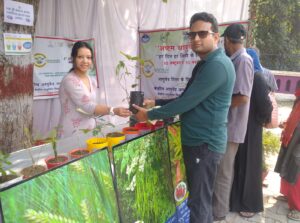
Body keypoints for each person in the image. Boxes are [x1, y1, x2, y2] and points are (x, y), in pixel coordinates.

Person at [133, 12, 236, 223]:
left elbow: (186, 103)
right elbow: (189, 97)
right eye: (192, 35)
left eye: (202, 33)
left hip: (203, 145)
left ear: (216, 37)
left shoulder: (217, 65)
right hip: (200, 143)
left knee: (198, 203)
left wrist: (149, 115)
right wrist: (158, 102)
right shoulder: (206, 63)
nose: (196, 38)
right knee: (200, 201)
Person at [212, 24, 254, 222]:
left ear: (227, 40)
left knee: (223, 172)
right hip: (227, 126)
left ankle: (219, 213)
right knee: (221, 170)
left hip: (231, 127)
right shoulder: (235, 60)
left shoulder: (243, 61)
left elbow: (242, 97)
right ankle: (217, 208)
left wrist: (217, 107)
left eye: (224, 41)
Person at [229, 49, 273, 217]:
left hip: (252, 129)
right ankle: (236, 201)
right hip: (241, 126)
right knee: (239, 165)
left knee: (249, 166)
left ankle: (249, 204)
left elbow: (265, 105)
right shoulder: (243, 77)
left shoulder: (258, 77)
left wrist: (259, 120)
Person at [58, 41, 131, 138]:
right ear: (73, 59)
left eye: (88, 57)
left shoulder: (91, 80)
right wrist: (114, 110)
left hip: (89, 131)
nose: (85, 61)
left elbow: (92, 108)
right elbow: (87, 106)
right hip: (72, 132)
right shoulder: (70, 80)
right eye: (80, 57)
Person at [274, 87, 300, 221]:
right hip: (292, 136)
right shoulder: (298, 98)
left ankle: (297, 208)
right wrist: (286, 124)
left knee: (296, 171)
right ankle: (287, 195)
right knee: (287, 165)